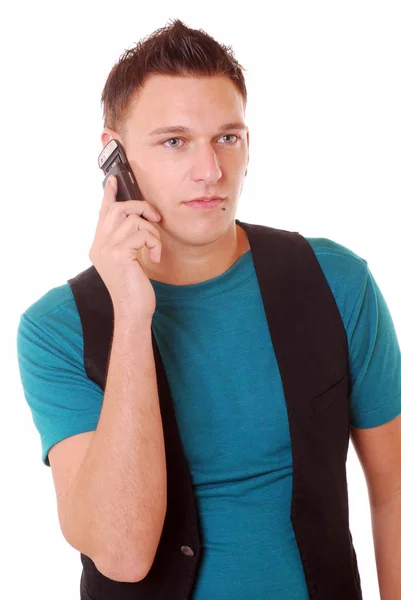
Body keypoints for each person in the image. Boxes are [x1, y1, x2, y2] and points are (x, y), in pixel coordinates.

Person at [16, 18, 401, 599]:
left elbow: (394, 489)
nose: (211, 171)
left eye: (228, 137)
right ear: (114, 155)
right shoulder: (55, 329)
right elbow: (120, 553)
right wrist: (131, 313)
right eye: (174, 141)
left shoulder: (336, 280)